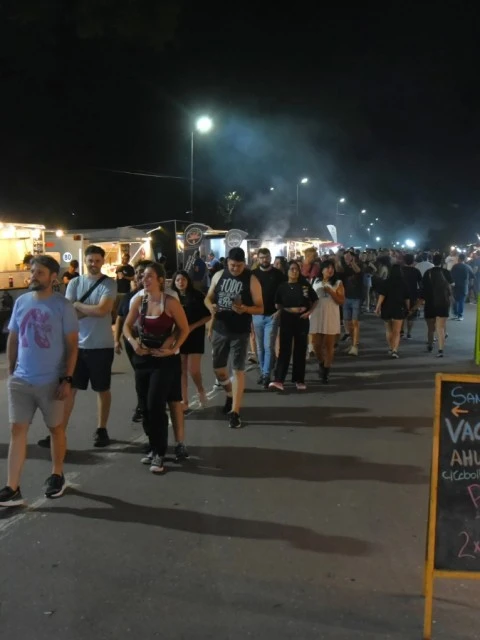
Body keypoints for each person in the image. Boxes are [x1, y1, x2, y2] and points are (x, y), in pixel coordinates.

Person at [0, 256, 78, 506]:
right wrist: (11, 371)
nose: (33, 276)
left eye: (39, 272)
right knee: (17, 430)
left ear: (53, 277)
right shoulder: (21, 301)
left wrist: (67, 379)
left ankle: (57, 474)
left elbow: (72, 346)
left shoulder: (63, 306)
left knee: (56, 429)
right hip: (21, 380)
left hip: (51, 381)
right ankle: (13, 487)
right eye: (32, 271)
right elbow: (13, 337)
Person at [123, 262, 189, 474]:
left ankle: (160, 452)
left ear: (161, 280)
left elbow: (184, 328)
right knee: (144, 406)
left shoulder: (170, 302)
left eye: (150, 276)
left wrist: (173, 349)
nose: (145, 279)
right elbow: (126, 326)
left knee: (155, 405)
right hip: (143, 358)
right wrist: (133, 343)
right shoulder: (139, 300)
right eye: (143, 276)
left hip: (163, 361)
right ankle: (153, 447)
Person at [64, 245, 117, 446]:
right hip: (76, 346)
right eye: (90, 260)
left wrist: (78, 305)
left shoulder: (109, 283)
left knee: (102, 388)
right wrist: (91, 309)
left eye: (97, 260)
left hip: (101, 345)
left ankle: (102, 429)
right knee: (70, 388)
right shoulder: (75, 282)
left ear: (103, 261)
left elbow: (103, 310)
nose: (93, 264)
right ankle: (59, 430)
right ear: (84, 261)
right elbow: (68, 313)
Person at [205, 247, 263, 429]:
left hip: (240, 331)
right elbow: (207, 298)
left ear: (244, 264)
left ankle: (235, 412)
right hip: (220, 329)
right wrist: (211, 308)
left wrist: (245, 309)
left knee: (238, 370)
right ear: (227, 262)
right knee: (219, 369)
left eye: (239, 265)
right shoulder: (219, 275)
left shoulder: (251, 280)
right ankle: (230, 394)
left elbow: (260, 307)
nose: (235, 269)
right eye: (232, 265)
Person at [269, 261, 318, 392]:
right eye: (292, 269)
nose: (294, 271)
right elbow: (277, 304)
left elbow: (315, 300)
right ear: (287, 271)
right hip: (287, 319)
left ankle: (299, 380)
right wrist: (283, 310)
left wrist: (309, 312)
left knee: (300, 349)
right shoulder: (282, 286)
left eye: (296, 269)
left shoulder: (304, 285)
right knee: (284, 349)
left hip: (302, 319)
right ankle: (279, 380)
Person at [114, 260, 150, 422]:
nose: (140, 276)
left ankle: (150, 402)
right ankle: (142, 405)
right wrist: (117, 340)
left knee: (150, 373)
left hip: (152, 341)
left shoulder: (160, 297)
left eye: (143, 272)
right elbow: (120, 319)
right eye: (137, 273)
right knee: (139, 372)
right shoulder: (129, 297)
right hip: (132, 341)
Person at [172, 270, 211, 411]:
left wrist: (193, 326)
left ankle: (201, 390)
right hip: (179, 336)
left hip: (195, 335)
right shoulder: (172, 297)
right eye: (178, 280)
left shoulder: (197, 296)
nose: (181, 282)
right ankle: (184, 400)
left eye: (183, 279)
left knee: (193, 369)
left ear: (188, 281)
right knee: (181, 370)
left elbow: (208, 316)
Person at [252, 247, 286, 388]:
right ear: (258, 259)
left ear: (270, 258)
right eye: (262, 257)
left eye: (266, 257)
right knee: (260, 347)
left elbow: (284, 293)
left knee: (269, 346)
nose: (264, 260)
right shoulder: (253, 275)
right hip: (256, 315)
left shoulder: (278, 275)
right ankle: (263, 372)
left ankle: (266, 374)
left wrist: (280, 310)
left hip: (272, 315)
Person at [309, 259, 345, 383]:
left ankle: (326, 371)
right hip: (316, 315)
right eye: (327, 267)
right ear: (322, 270)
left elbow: (341, 301)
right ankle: (321, 362)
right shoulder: (315, 281)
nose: (330, 270)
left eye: (332, 268)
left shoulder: (338, 283)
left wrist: (331, 292)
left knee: (329, 346)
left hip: (331, 316)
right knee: (316, 345)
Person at [375, 264, 410, 358]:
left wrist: (377, 307)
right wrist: (408, 308)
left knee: (389, 330)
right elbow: (407, 298)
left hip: (387, 308)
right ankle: (395, 350)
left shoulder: (386, 282)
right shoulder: (404, 283)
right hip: (399, 308)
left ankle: (390, 347)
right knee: (397, 331)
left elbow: (382, 295)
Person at [421, 253, 452, 357]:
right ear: (442, 262)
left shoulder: (427, 273)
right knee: (441, 328)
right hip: (443, 302)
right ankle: (440, 350)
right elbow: (451, 286)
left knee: (430, 328)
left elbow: (423, 288)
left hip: (430, 302)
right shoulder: (446, 272)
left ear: (432, 261)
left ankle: (430, 345)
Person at [336, 250, 363, 356]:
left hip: (356, 298)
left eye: (349, 257)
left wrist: (351, 261)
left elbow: (358, 271)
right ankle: (352, 344)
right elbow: (338, 272)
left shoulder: (359, 265)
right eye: (345, 257)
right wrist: (338, 260)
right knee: (348, 324)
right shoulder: (344, 268)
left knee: (355, 323)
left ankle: (355, 346)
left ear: (353, 257)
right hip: (346, 298)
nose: (346, 259)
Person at [451, 253, 473, 320]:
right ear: (465, 259)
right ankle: (460, 316)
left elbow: (450, 275)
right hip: (464, 286)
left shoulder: (454, 266)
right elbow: (472, 276)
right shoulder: (468, 267)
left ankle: (455, 314)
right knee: (461, 301)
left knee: (455, 300)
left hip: (455, 285)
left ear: (459, 259)